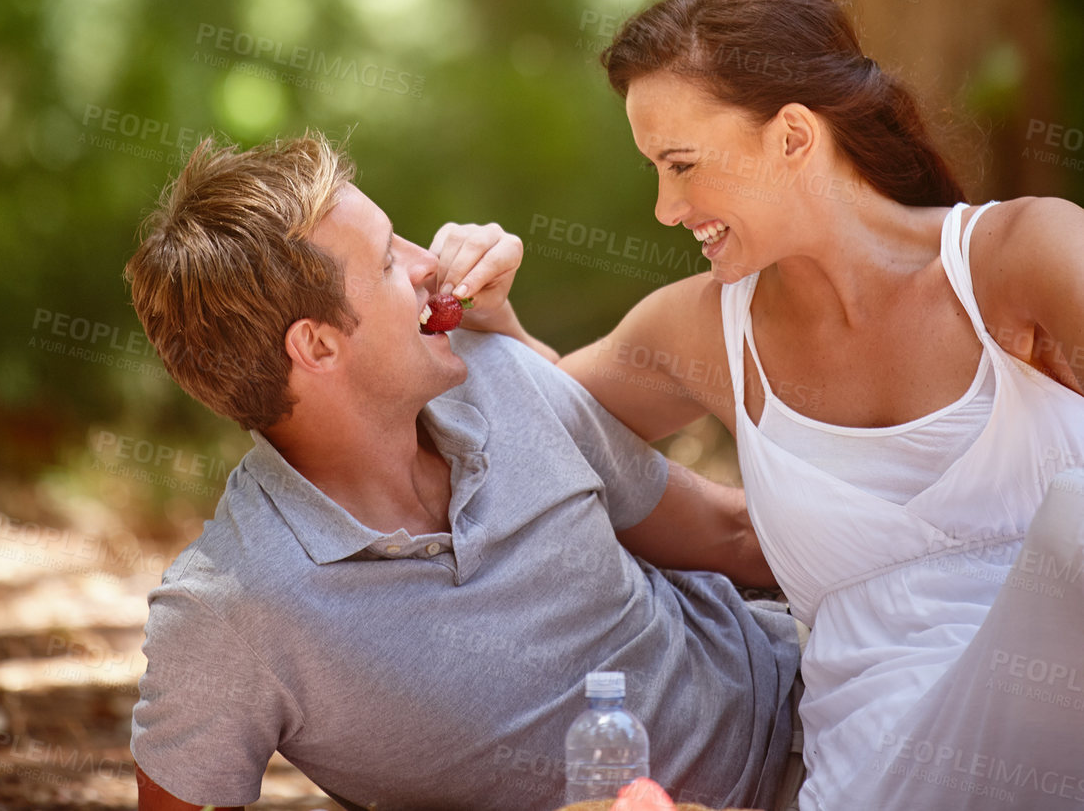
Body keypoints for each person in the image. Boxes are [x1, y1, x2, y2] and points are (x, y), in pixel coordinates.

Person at [521, 0, 1084, 811]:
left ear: (792, 137)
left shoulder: (1021, 259)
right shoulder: (703, 331)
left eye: (681, 166)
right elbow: (537, 421)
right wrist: (487, 312)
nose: (666, 208)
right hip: (879, 775)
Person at [125, 134, 803, 811]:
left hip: (818, 703)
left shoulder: (498, 372)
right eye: (391, 259)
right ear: (317, 345)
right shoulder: (227, 610)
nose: (431, 265)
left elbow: (732, 535)